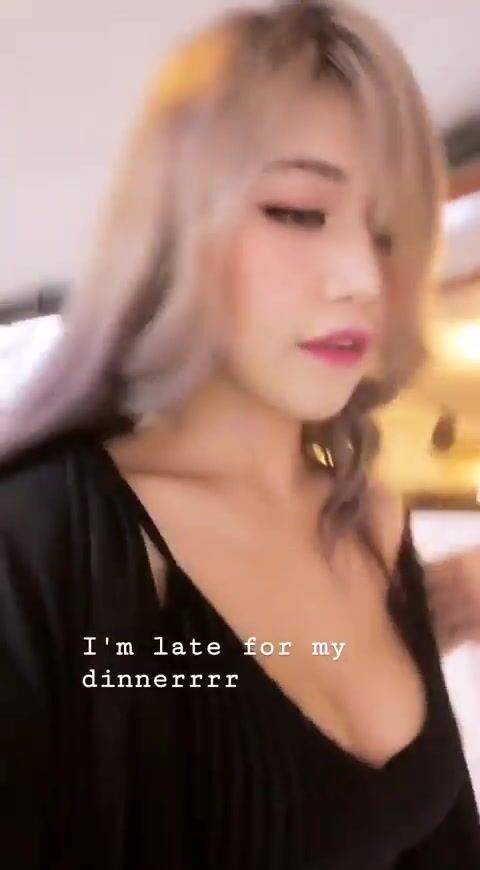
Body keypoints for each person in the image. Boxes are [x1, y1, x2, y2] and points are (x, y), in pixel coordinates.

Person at [0, 1, 479, 867]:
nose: (361, 278)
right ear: (174, 229)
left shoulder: (370, 516)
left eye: (389, 232)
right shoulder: (42, 543)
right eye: (298, 211)